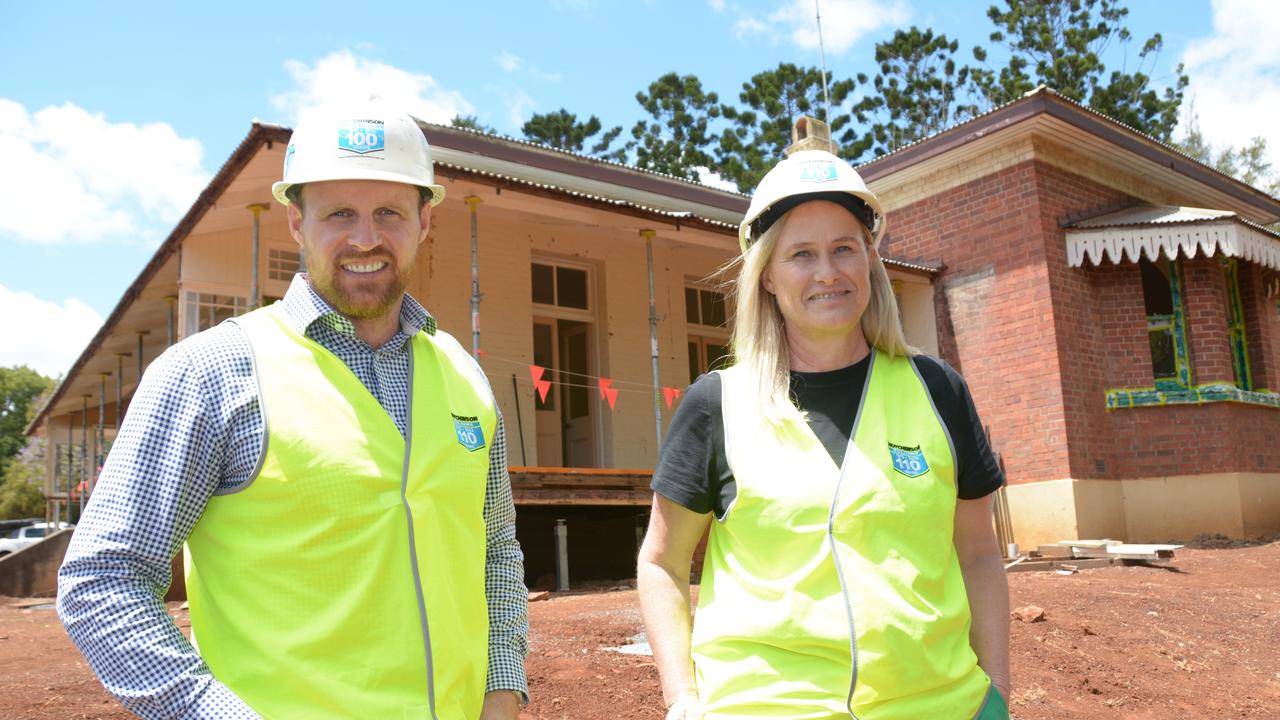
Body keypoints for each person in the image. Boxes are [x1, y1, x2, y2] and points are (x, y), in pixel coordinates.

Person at [57, 102, 529, 720]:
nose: (366, 237)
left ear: (424, 220)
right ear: (295, 221)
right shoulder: (211, 372)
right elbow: (104, 577)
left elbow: (494, 551)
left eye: (389, 211)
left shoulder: (464, 375)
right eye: (339, 213)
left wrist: (501, 690)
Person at [637, 148, 1010, 719]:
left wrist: (996, 692)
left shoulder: (937, 391)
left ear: (869, 260)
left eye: (844, 249)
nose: (827, 272)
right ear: (765, 275)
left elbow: (979, 551)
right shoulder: (718, 405)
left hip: (938, 707)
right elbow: (661, 562)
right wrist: (682, 699)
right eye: (801, 255)